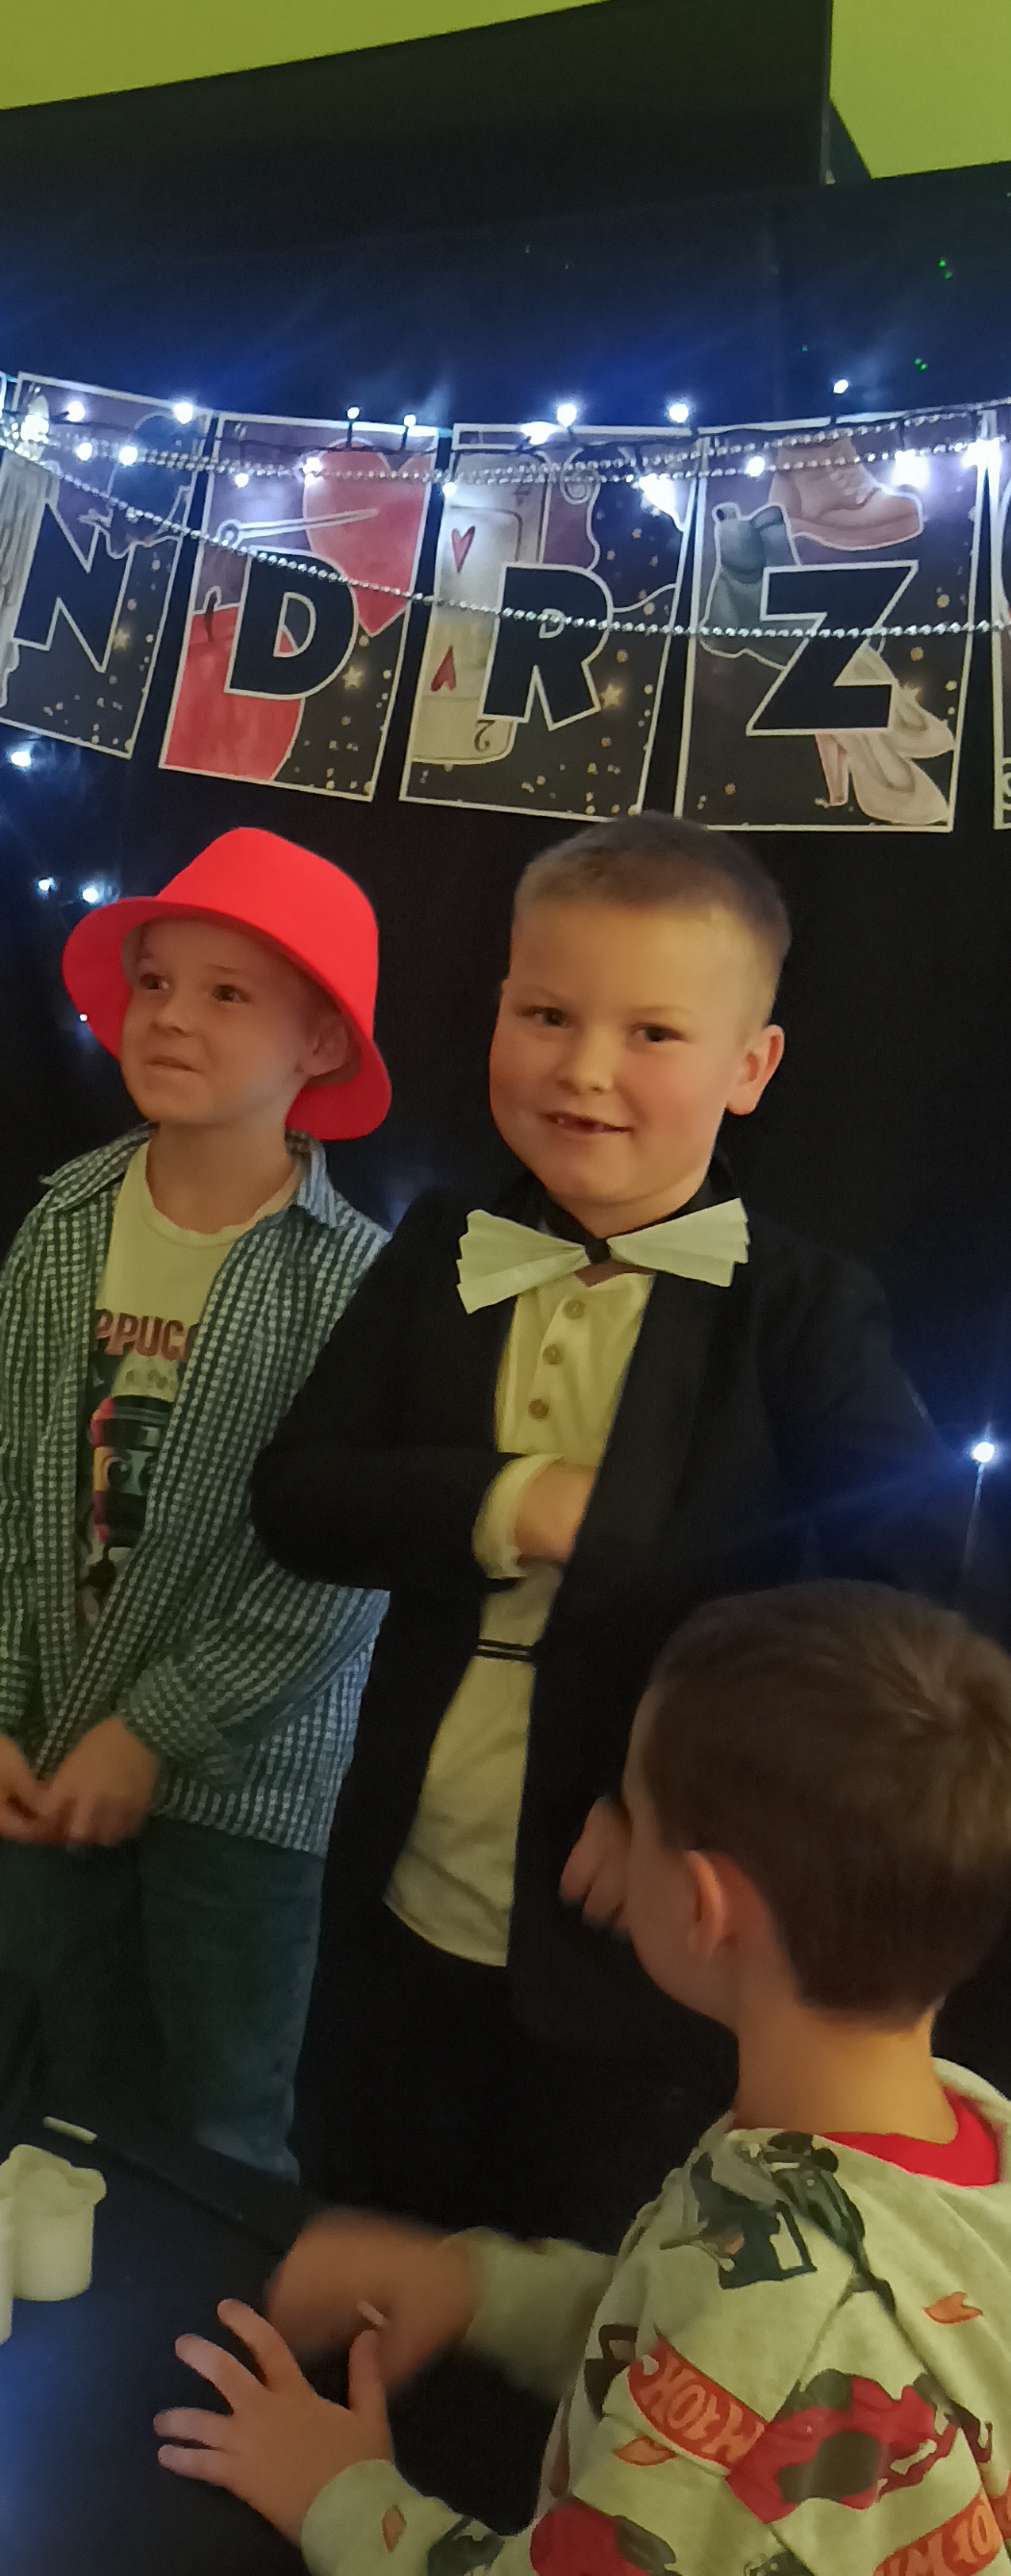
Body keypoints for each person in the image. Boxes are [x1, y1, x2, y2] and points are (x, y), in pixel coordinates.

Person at [159, 1583, 1011, 2576]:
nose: (595, 1841)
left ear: (706, 1907)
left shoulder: (793, 2317)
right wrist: (478, 2286)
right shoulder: (941, 2143)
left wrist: (340, 2496)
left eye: (623, 1806)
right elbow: (698, 2332)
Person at [250, 817, 977, 2249]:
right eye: (546, 1016)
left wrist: (675, 1801)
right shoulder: (436, 1252)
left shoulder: (801, 1310)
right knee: (370, 2223)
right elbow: (297, 1499)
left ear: (749, 1068)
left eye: (651, 1032)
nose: (583, 1069)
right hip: (401, 1890)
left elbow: (893, 1601)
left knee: (589, 2269)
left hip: (637, 1952)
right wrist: (507, 1500)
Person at [0, 829, 390, 2173]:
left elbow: (336, 1573)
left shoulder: (349, 1282)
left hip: (247, 1789)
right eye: (157, 982)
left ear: (320, 1044)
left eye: (228, 993)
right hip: (51, 1748)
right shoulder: (64, 1223)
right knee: (38, 2085)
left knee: (222, 2115)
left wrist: (154, 1732)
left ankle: (217, 2308)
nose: (171, 1016)